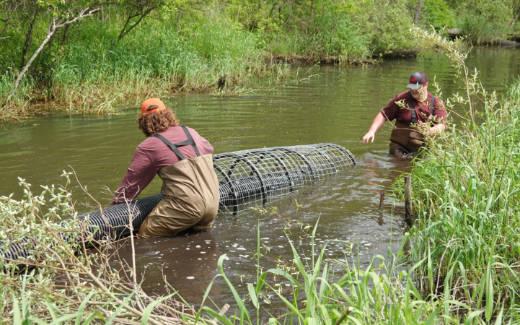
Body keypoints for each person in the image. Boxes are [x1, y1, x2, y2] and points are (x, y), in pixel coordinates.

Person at [112, 98, 220, 238]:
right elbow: (209, 149)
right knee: (199, 238)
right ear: (168, 115)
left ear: (143, 123)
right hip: (213, 203)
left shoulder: (149, 146)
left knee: (146, 236)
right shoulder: (191, 132)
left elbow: (131, 186)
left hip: (186, 206)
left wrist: (113, 211)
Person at [362, 72, 447, 158]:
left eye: (416, 88)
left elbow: (442, 125)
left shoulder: (436, 103)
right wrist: (371, 131)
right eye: (411, 87)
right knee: (399, 168)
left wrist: (430, 131)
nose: (413, 90)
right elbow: (383, 114)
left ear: (426, 85)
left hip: (423, 149)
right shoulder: (401, 99)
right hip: (399, 148)